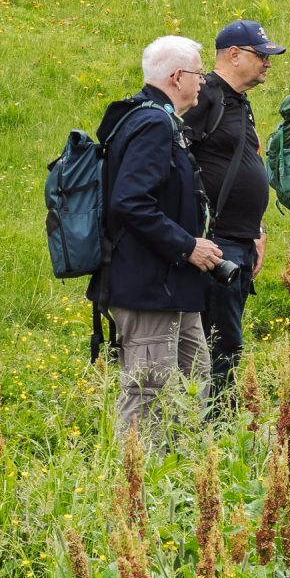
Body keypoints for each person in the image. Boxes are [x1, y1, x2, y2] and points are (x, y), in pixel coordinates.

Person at [91, 35, 224, 439]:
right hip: (149, 289)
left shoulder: (158, 119)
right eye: (199, 73)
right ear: (177, 76)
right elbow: (129, 203)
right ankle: (135, 485)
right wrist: (187, 246)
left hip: (173, 287)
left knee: (195, 382)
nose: (203, 82)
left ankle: (183, 478)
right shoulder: (151, 123)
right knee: (146, 393)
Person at [183, 19, 285, 416]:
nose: (268, 63)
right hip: (215, 241)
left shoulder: (239, 101)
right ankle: (213, 426)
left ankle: (218, 420)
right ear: (234, 55)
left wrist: (257, 228)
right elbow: (180, 160)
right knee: (218, 341)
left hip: (240, 241)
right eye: (262, 55)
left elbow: (243, 163)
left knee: (229, 338)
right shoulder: (204, 96)